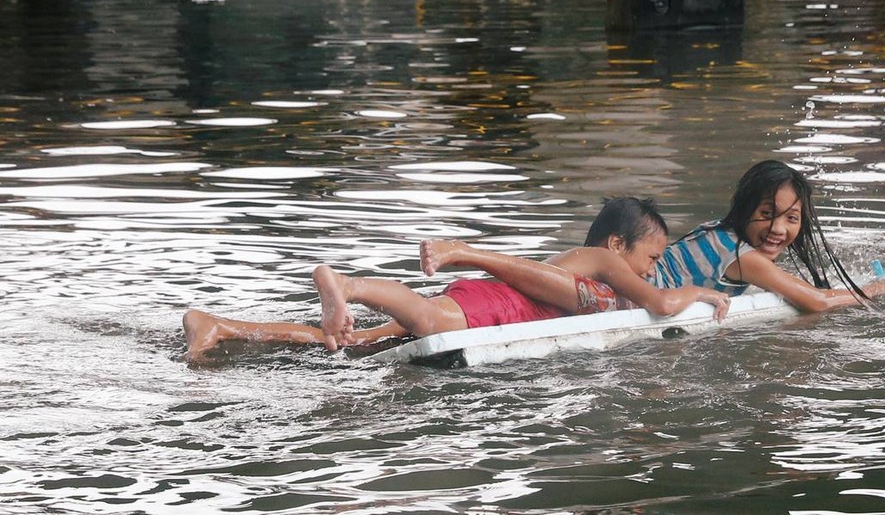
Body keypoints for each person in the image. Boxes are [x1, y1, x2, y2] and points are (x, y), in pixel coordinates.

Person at [183, 196, 729, 360]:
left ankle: (220, 327)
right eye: (652, 255)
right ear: (616, 244)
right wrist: (703, 291)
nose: (653, 267)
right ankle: (343, 283)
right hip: (499, 305)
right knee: (422, 313)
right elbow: (660, 303)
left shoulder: (589, 268)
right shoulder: (603, 263)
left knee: (356, 341)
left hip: (492, 301)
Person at [649, 159, 885, 311]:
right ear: (745, 209)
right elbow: (818, 302)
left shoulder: (719, 230)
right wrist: (876, 289)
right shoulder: (741, 256)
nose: (778, 229)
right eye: (768, 213)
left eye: (791, 218)